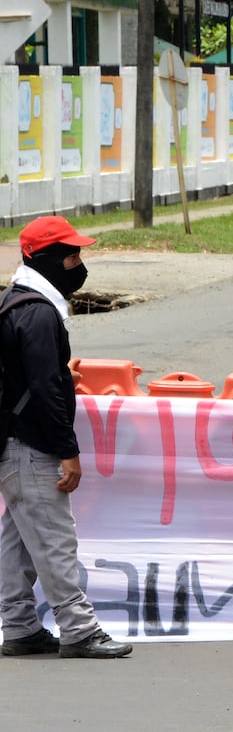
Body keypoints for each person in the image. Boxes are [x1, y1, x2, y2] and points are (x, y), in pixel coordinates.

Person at [0, 216, 133, 659]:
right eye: (72, 255)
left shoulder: (16, 302)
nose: (79, 263)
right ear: (46, 259)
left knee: (17, 542)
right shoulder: (38, 312)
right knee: (55, 538)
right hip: (32, 446)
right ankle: (79, 629)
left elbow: (31, 375)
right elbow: (43, 388)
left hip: (13, 443)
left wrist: (60, 373)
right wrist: (67, 450)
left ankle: (19, 627)